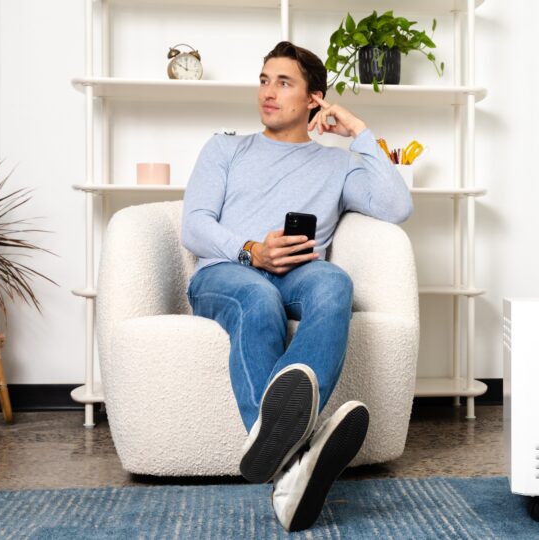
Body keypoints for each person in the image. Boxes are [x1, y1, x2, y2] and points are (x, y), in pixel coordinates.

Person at [181, 41, 412, 532]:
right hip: (227, 272)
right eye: (264, 79)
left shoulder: (337, 163)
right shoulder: (225, 147)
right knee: (258, 297)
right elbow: (194, 224)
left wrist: (359, 132)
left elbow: (396, 207)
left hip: (302, 272)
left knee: (334, 282)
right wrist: (250, 250)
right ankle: (295, 454)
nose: (268, 92)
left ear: (314, 99)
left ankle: (284, 464)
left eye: (283, 83)